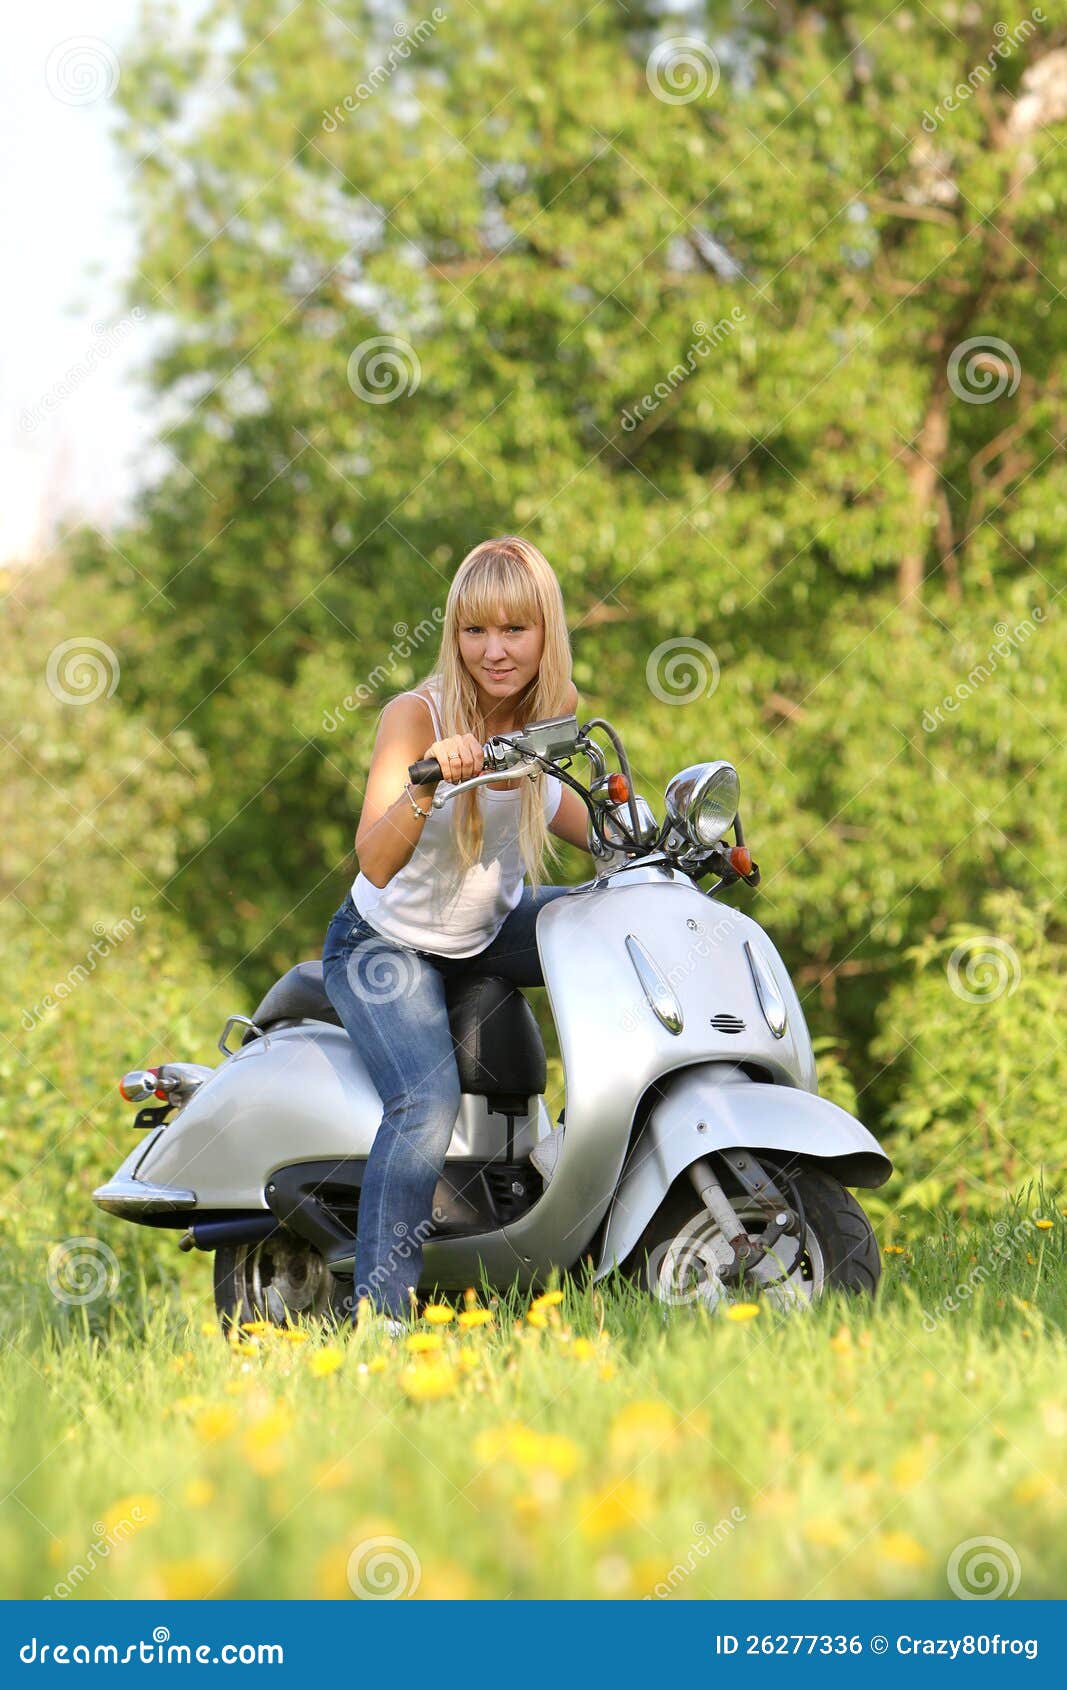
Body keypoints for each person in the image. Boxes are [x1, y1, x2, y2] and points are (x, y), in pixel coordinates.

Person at [321, 536, 592, 1321]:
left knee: (617, 929)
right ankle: (381, 1320)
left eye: (514, 629)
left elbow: (557, 804)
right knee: (426, 1102)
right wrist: (426, 783)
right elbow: (374, 863)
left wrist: (648, 835)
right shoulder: (417, 716)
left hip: (488, 928)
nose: (494, 651)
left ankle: (574, 1147)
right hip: (385, 945)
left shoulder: (555, 707)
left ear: (545, 632)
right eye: (475, 631)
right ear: (454, 634)